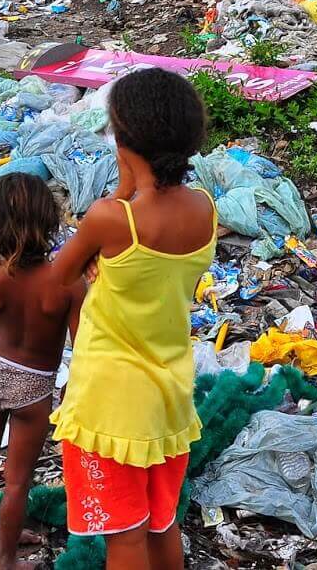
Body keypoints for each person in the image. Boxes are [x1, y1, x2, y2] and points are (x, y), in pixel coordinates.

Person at [48, 68, 216, 570]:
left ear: (122, 139)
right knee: (163, 523)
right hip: (170, 398)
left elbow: (60, 277)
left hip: (110, 405)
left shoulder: (109, 218)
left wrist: (121, 192)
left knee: (124, 537)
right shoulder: (204, 208)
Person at [0, 173, 87, 569]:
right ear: (49, 222)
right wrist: (74, 390)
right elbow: (82, 346)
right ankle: (6, 559)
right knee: (17, 479)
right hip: (33, 384)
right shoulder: (67, 284)